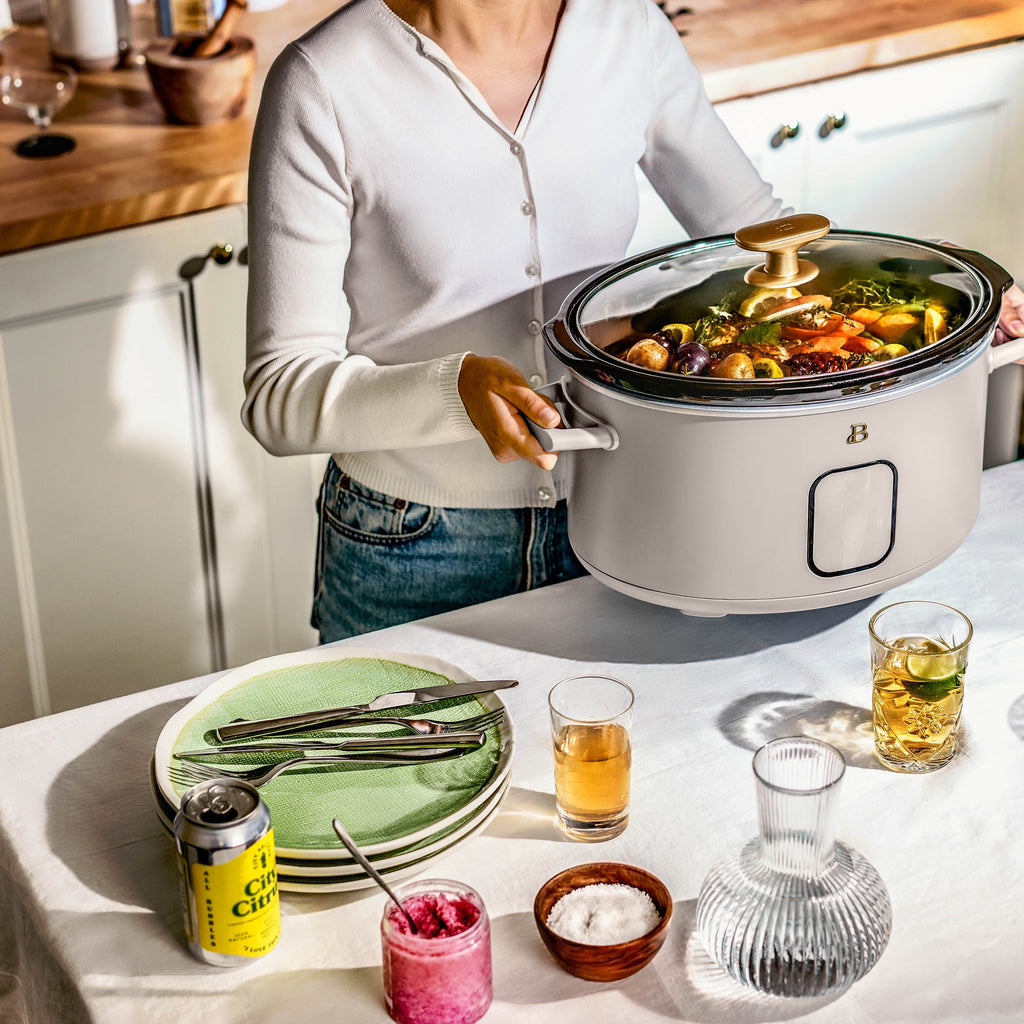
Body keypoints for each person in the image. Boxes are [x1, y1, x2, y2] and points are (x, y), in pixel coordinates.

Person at [244, 0, 1024, 644]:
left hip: (621, 510)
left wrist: (926, 286)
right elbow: (279, 394)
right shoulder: (326, 81)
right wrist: (456, 390)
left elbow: (755, 232)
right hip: (415, 543)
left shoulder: (624, 31)